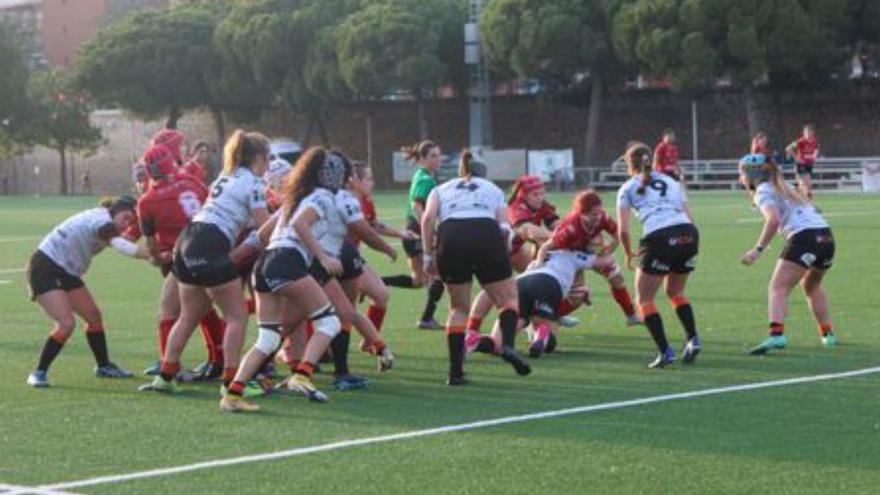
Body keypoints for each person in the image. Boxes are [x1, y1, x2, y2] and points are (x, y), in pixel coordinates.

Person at [223, 148, 391, 411]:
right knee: (330, 322)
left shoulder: (295, 196)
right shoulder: (322, 196)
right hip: (287, 261)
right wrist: (321, 255)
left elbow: (264, 233)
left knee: (267, 339)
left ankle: (232, 395)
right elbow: (302, 225)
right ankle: (301, 375)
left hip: (265, 263)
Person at [142, 130, 271, 395]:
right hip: (210, 242)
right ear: (258, 157)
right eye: (268, 158)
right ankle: (232, 383)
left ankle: (166, 376)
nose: (269, 164)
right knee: (236, 316)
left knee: (189, 316)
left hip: (187, 240)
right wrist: (284, 218)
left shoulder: (224, 177)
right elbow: (263, 225)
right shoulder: (254, 183)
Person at [421, 151, 531, 385]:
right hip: (485, 234)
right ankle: (508, 346)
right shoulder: (492, 189)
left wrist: (428, 257)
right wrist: (501, 255)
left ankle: (455, 372)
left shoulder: (440, 189)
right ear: (484, 173)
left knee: (458, 309)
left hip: (451, 237)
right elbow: (504, 228)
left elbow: (427, 219)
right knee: (508, 301)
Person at [25, 196, 150, 387]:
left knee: (93, 316)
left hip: (66, 270)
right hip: (45, 268)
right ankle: (39, 372)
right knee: (66, 324)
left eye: (132, 222)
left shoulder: (107, 222)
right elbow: (122, 246)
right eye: (126, 218)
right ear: (115, 211)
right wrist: (154, 255)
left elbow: (121, 239)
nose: (127, 225)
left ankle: (103, 366)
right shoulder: (102, 223)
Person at [135, 144, 229, 383]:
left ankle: (170, 368)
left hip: (184, 256)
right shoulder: (193, 182)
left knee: (170, 311)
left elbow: (151, 242)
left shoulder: (148, 201)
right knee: (205, 307)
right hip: (215, 247)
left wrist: (156, 258)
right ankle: (218, 360)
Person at [738, 154, 837, 354]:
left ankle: (776, 335)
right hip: (826, 237)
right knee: (811, 286)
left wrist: (758, 250)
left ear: (751, 174)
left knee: (777, 288)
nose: (740, 178)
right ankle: (828, 334)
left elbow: (773, 220)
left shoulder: (763, 190)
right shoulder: (786, 186)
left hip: (805, 238)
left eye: (741, 173)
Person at [616, 142, 701, 368]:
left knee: (644, 299)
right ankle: (693, 339)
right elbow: (690, 218)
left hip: (660, 237)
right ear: (652, 160)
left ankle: (665, 352)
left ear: (629, 164)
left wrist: (627, 253)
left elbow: (622, 229)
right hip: (688, 234)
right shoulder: (671, 181)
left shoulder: (627, 188)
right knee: (675, 291)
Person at [465, 175, 564, 334]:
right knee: (492, 290)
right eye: (535, 195)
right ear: (523, 195)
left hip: (513, 250)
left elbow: (557, 225)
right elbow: (530, 232)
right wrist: (565, 239)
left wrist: (571, 232)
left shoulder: (540, 205)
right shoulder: (516, 208)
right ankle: (471, 329)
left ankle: (544, 316)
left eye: (542, 193)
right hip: (493, 250)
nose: (540, 198)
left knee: (537, 282)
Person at [537, 190, 640, 327]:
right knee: (577, 296)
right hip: (568, 257)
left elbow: (617, 234)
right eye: (594, 215)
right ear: (581, 214)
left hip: (589, 254)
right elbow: (545, 247)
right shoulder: (571, 228)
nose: (598, 217)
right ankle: (552, 315)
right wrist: (539, 264)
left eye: (600, 212)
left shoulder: (602, 217)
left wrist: (609, 249)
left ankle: (631, 316)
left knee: (617, 277)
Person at [345, 161, 418, 352]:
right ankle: (297, 350)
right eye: (368, 178)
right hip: (335, 261)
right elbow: (366, 233)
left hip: (352, 260)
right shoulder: (344, 201)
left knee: (381, 295)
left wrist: (400, 234)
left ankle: (369, 342)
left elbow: (374, 225)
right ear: (354, 181)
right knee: (340, 309)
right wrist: (386, 248)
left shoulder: (366, 201)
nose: (373, 183)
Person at [381, 140, 446, 330]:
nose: (438, 159)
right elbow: (417, 207)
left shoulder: (421, 175)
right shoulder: (426, 180)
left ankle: (378, 282)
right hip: (417, 233)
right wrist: (429, 232)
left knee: (418, 281)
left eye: (438, 155)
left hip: (410, 232)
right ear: (422, 159)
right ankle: (427, 318)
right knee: (439, 275)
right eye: (433, 156)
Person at [786, 124, 819, 200]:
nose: (807, 134)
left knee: (806, 183)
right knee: (805, 183)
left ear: (812, 133)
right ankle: (806, 196)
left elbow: (816, 149)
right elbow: (788, 149)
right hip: (801, 164)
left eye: (809, 132)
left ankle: (799, 195)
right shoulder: (800, 141)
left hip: (809, 164)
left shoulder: (814, 141)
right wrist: (796, 158)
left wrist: (814, 155)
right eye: (806, 132)